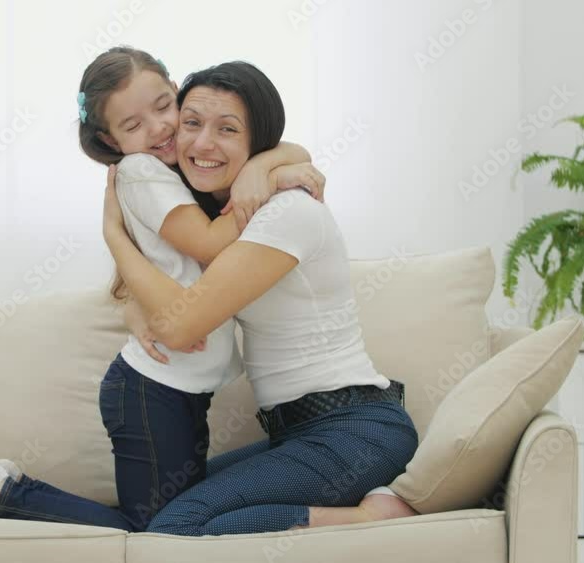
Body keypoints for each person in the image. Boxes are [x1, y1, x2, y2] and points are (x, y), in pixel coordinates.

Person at [0, 47, 322, 532]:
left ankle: (4, 492)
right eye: (133, 125)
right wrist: (271, 182)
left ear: (177, 91)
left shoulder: (184, 167)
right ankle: (4, 495)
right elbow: (207, 242)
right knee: (158, 528)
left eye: (164, 106)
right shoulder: (141, 171)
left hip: (180, 389)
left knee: (171, 522)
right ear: (108, 139)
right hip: (151, 391)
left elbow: (279, 147)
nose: (158, 129)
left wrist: (270, 167)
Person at [102, 61, 421, 537]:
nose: (202, 143)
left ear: (259, 139)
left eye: (227, 129)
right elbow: (164, 288)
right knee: (160, 513)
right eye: (192, 123)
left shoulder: (286, 212)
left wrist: (112, 234)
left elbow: (179, 326)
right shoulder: (223, 217)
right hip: (297, 434)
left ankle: (368, 517)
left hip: (354, 433)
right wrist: (265, 168)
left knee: (175, 526)